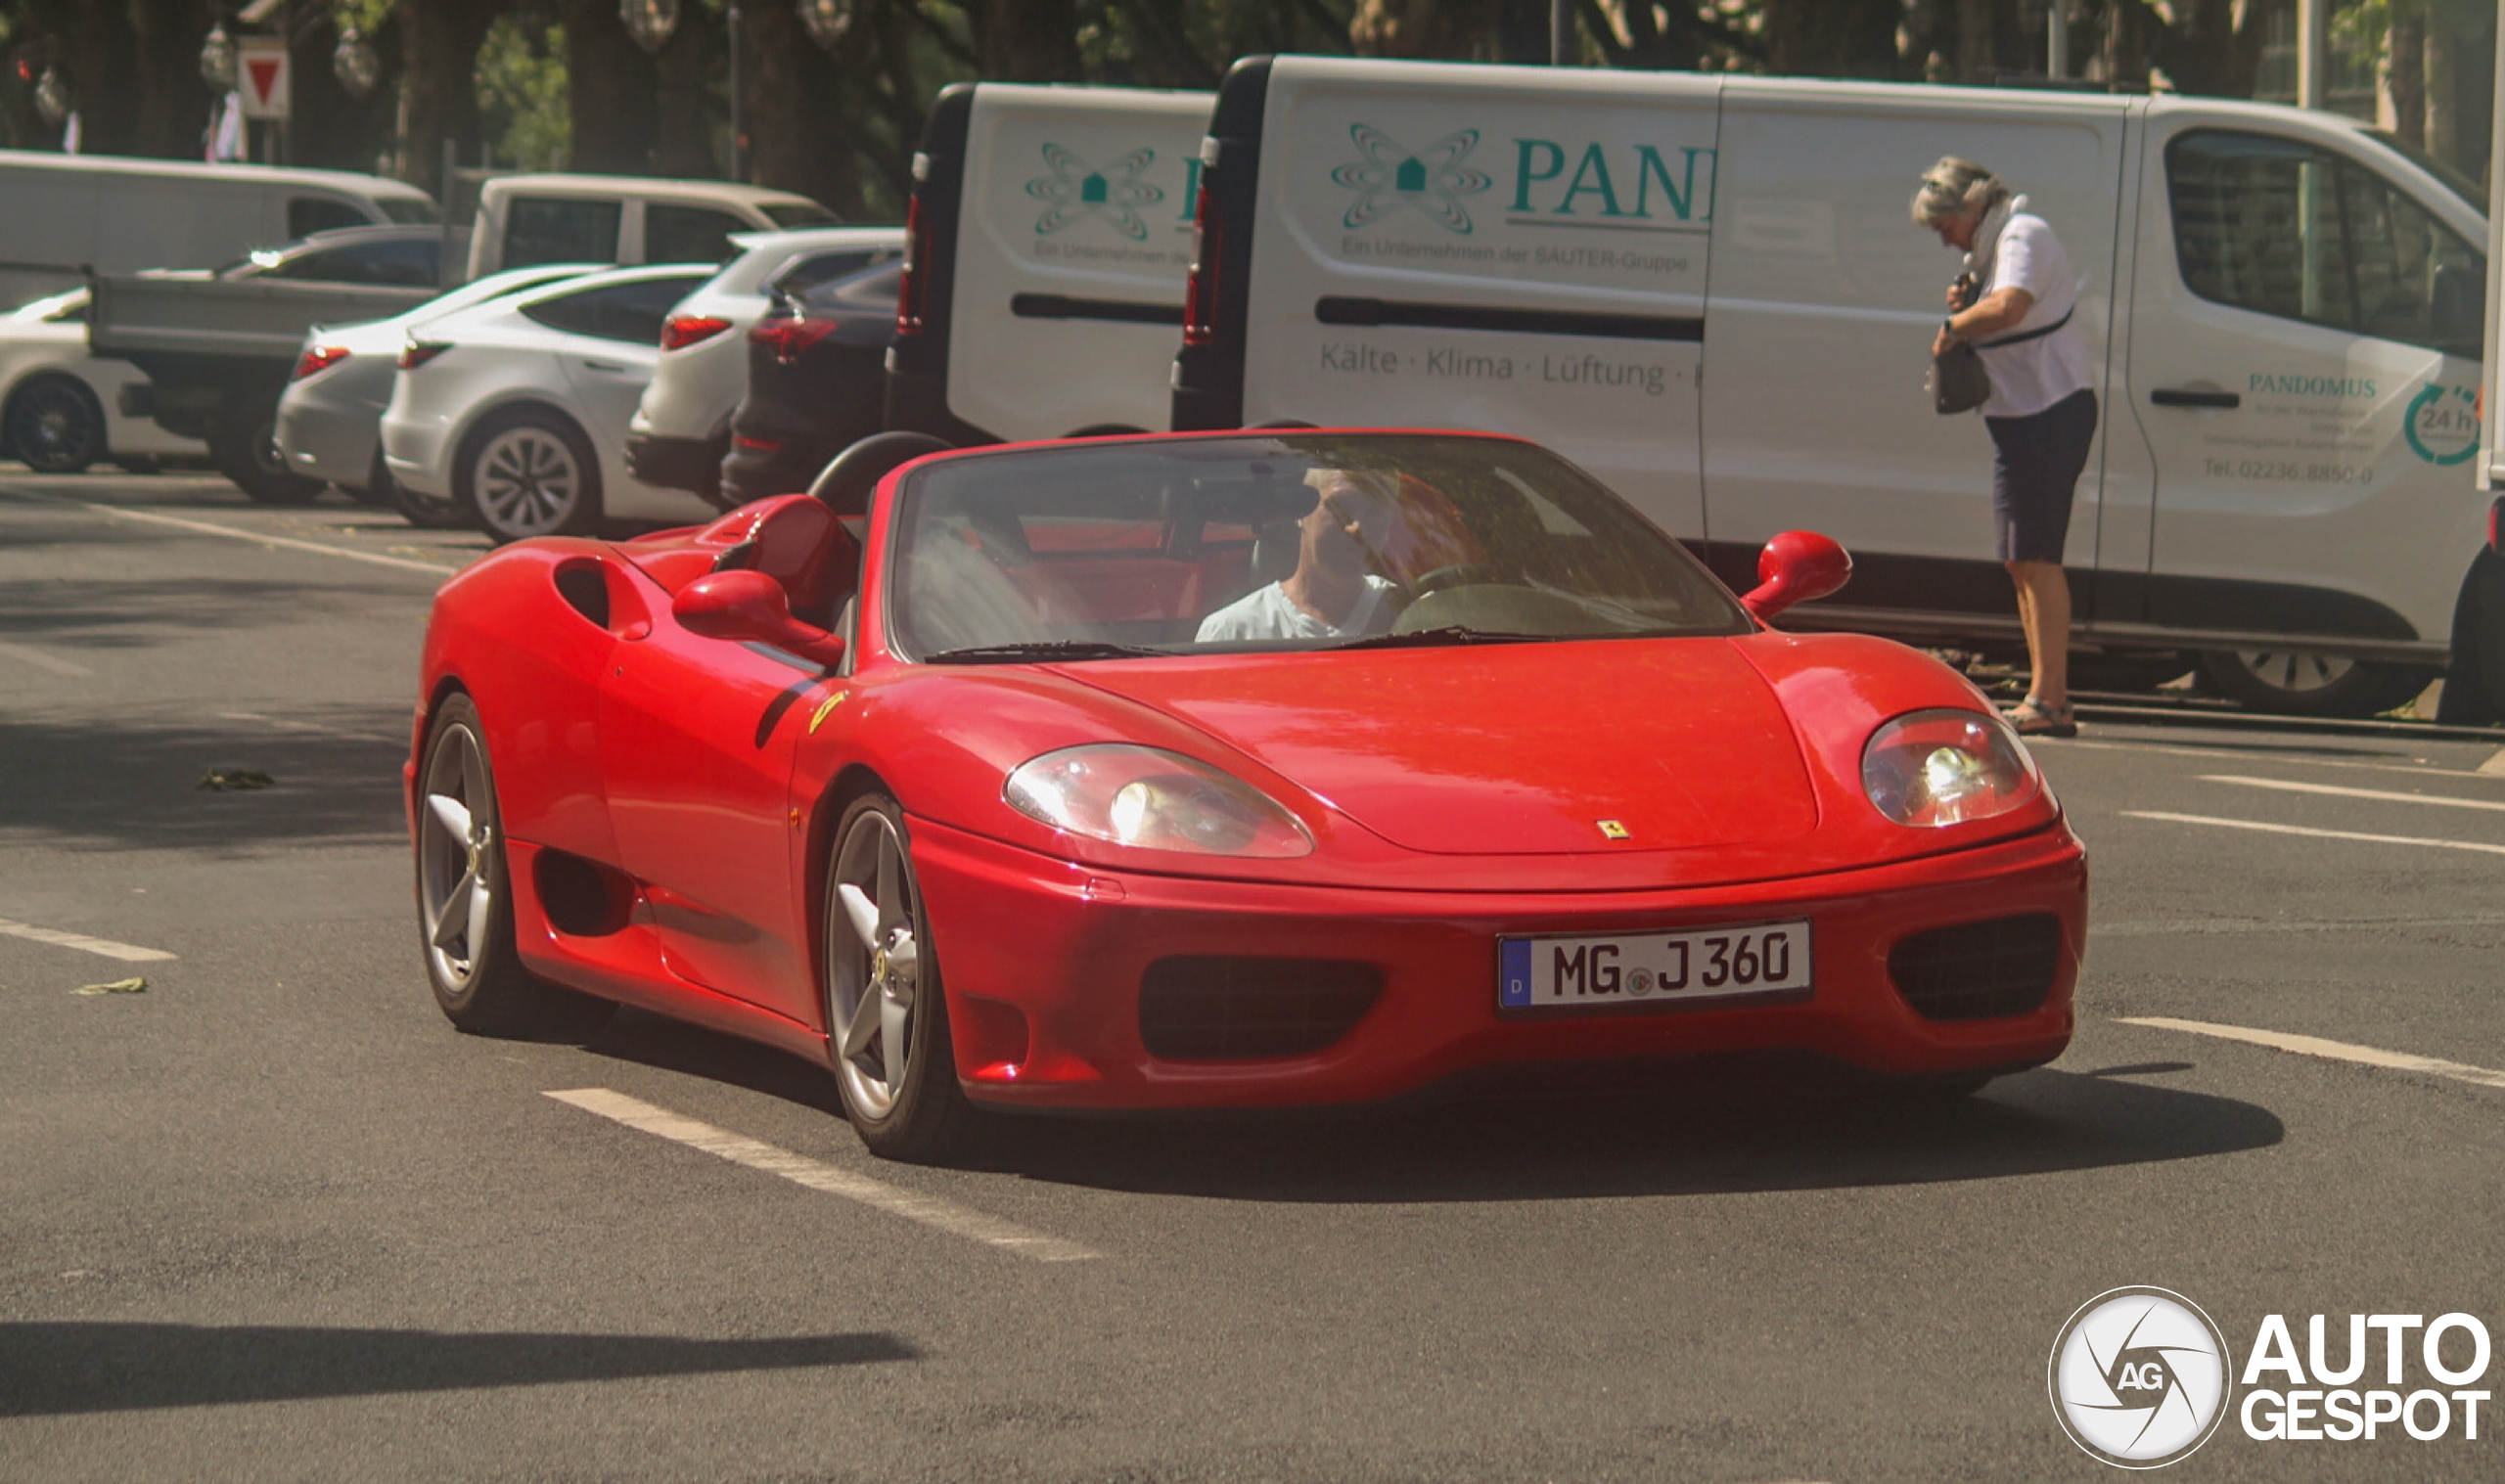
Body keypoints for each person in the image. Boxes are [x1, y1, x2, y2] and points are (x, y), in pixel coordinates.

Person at [1915, 157, 2099, 738]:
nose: (1945, 239)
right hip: (2021, 415)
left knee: (2038, 557)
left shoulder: (2024, 234)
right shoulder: (1992, 247)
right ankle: (2048, 695)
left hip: (2049, 410)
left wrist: (1954, 328)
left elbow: (2011, 306)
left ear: (1971, 208)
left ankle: (2052, 700)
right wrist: (1965, 306)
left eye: (1945, 225)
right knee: (2021, 558)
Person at [1197, 468, 1405, 642]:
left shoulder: (1412, 618)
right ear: (1302, 513)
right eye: (1342, 506)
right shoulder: (1231, 634)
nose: (1357, 528)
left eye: (1375, 512)